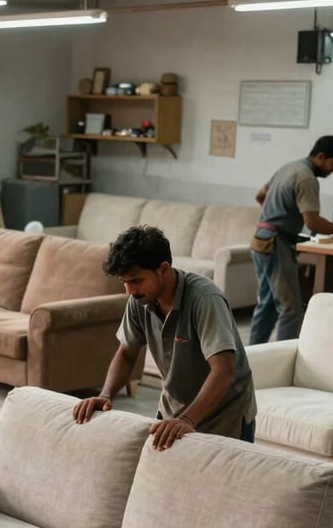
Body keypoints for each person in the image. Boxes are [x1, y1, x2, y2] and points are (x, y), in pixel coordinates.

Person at [73, 225, 256, 451]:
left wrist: (187, 420)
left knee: (221, 486)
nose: (129, 290)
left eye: (137, 280)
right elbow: (126, 354)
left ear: (163, 268)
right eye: (124, 282)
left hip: (224, 417)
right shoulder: (139, 300)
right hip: (173, 412)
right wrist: (105, 394)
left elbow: (223, 372)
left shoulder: (205, 299)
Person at [249, 135, 333, 344]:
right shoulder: (306, 178)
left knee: (267, 304)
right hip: (276, 244)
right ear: (320, 157)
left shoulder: (289, 167)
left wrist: (276, 216)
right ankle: (284, 362)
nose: (332, 170)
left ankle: (252, 356)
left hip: (260, 239)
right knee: (291, 310)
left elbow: (260, 195)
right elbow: (312, 222)